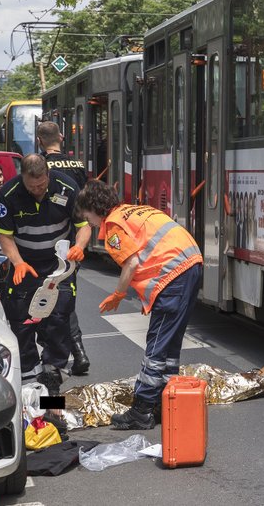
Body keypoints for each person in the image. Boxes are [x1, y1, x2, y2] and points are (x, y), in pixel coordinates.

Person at [74, 179, 203, 430]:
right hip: (191, 264)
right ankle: (165, 402)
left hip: (172, 274)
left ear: (94, 208)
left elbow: (131, 263)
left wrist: (119, 294)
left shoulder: (113, 226)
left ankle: (142, 409)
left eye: (86, 215)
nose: (87, 221)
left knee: (156, 345)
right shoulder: (136, 209)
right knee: (170, 342)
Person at [0, 154, 90, 394]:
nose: (37, 190)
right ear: (22, 178)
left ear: (48, 174)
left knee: (58, 322)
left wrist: (79, 246)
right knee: (22, 323)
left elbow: (83, 225)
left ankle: (53, 395)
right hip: (24, 266)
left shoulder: (67, 187)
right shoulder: (9, 194)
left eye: (41, 185)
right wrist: (17, 263)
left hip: (60, 267)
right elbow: (4, 236)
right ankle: (30, 395)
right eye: (31, 186)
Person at [37, 120, 91, 375]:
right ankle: (76, 351)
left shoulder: (38, 166)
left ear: (40, 141)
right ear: (61, 136)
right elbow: (86, 201)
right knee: (64, 297)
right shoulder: (78, 165)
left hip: (47, 242)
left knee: (53, 299)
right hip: (74, 240)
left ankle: (63, 357)